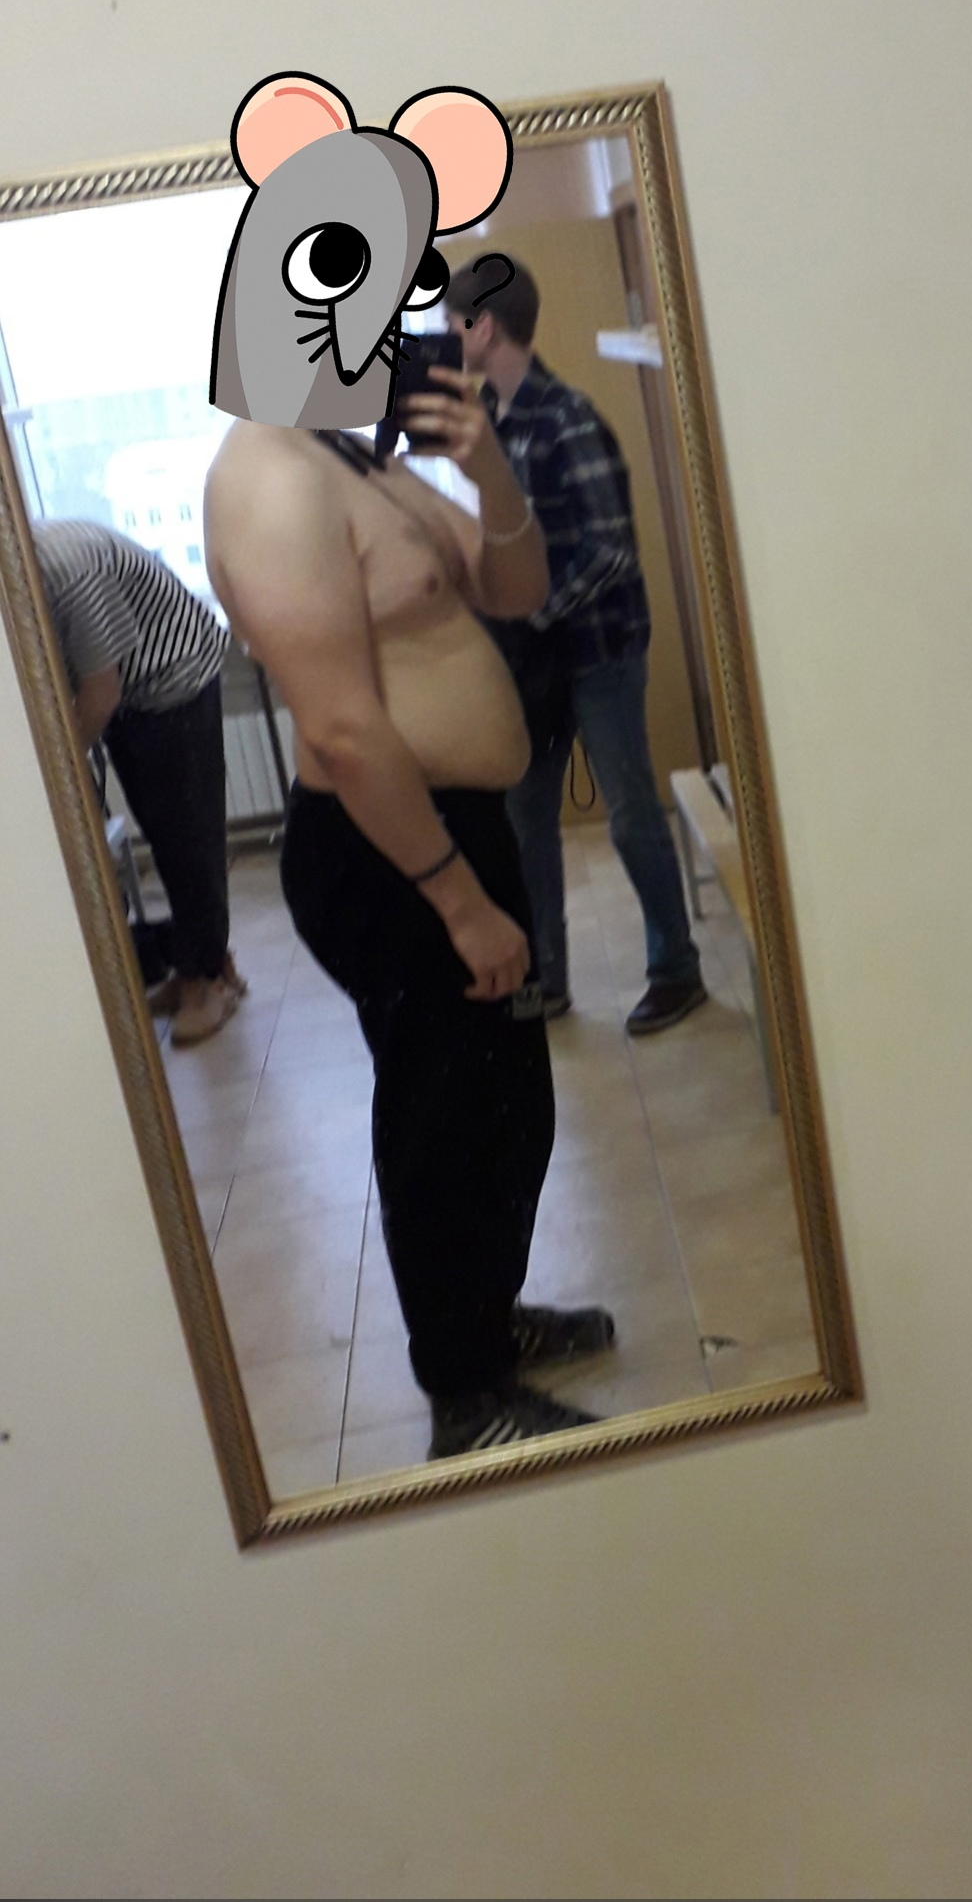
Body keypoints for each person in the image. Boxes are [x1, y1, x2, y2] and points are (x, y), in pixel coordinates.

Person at [203, 365, 614, 1460]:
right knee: (444, 1121)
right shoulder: (271, 480)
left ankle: (487, 1320)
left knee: (508, 1106)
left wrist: (489, 469)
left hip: (457, 833)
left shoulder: (348, 452)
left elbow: (515, 588)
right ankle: (464, 1395)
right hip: (389, 855)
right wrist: (458, 901)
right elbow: (342, 732)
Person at [446, 257, 707, 1035]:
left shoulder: (567, 418)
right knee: (526, 815)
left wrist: (531, 607)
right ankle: (547, 980)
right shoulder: (489, 419)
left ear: (484, 327)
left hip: (599, 650)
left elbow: (610, 549)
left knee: (629, 811)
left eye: (450, 324)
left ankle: (677, 971)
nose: (444, 339)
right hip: (537, 656)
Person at [33, 519, 244, 1045]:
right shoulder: (32, 564)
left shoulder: (67, 570)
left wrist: (55, 770)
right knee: (166, 836)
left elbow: (99, 694)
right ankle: (208, 967)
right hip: (134, 692)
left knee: (188, 839)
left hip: (176, 678)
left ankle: (204, 987)